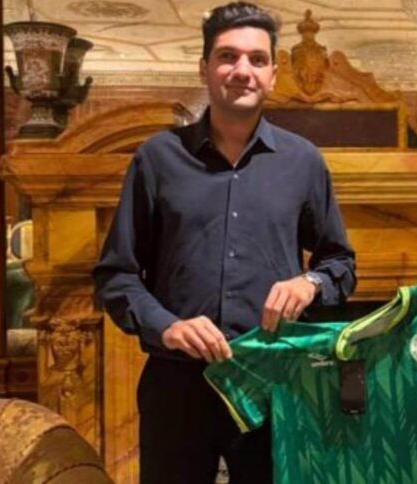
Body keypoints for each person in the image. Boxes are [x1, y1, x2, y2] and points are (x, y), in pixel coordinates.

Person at [93, 2, 356, 482]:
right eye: (227, 56)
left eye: (257, 59)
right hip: (176, 387)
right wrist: (167, 326)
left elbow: (339, 263)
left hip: (273, 383)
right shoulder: (156, 159)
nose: (242, 70)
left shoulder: (303, 162)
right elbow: (117, 275)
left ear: (273, 75)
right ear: (204, 69)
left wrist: (311, 283)